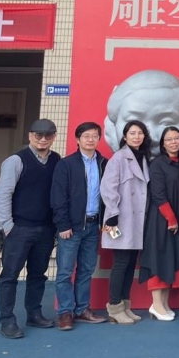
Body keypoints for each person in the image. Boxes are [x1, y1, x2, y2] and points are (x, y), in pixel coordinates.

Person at [0, 119, 61, 339]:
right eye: (38, 135)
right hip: (19, 229)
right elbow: (3, 194)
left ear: (54, 137)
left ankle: (34, 314)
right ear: (30, 135)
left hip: (45, 229)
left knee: (38, 275)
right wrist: (8, 226)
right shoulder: (15, 161)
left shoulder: (56, 160)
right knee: (10, 276)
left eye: (48, 135)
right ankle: (7, 321)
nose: (43, 139)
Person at [50, 121, 109, 331]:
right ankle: (65, 312)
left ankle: (82, 309)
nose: (91, 139)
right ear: (78, 139)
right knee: (65, 271)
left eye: (94, 136)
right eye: (86, 136)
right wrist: (63, 224)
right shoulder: (66, 164)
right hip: (72, 228)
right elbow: (58, 197)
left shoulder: (103, 163)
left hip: (93, 226)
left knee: (86, 270)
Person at [101, 120, 151, 325]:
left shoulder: (143, 158)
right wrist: (112, 214)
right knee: (120, 263)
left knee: (130, 264)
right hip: (119, 219)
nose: (136, 136)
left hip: (136, 220)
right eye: (132, 133)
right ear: (124, 136)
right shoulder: (119, 158)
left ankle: (125, 305)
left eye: (140, 133)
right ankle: (114, 307)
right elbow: (108, 187)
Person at [139, 126, 179, 321]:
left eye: (177, 138)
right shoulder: (158, 164)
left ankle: (164, 304)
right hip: (162, 219)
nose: (173, 142)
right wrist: (171, 219)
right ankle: (156, 305)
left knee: (173, 260)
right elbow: (158, 194)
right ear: (163, 144)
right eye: (169, 139)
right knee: (159, 259)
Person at [104, 70, 179, 158]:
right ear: (114, 123)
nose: (151, 137)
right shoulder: (113, 165)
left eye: (166, 122)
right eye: (134, 121)